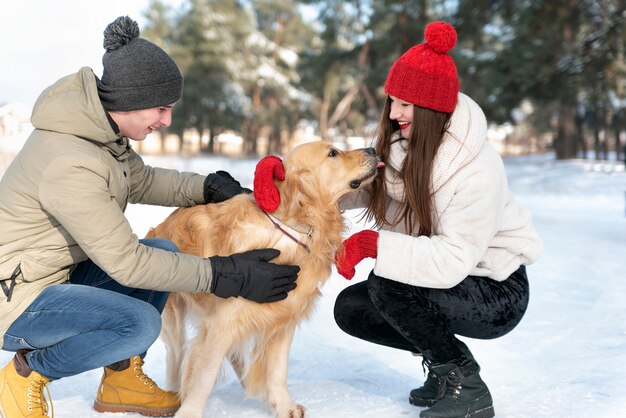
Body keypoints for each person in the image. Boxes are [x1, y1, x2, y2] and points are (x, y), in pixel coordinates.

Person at [0, 16, 299, 418]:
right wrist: (224, 273)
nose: (166, 121)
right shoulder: (70, 160)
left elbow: (141, 181)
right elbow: (127, 264)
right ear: (128, 100)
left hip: (54, 276)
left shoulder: (102, 136)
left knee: (163, 248)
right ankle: (23, 372)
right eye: (161, 108)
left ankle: (121, 381)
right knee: (138, 324)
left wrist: (207, 186)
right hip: (16, 299)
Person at [332, 22, 543, 418]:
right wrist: (293, 185)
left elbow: (451, 260)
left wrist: (372, 244)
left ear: (431, 108)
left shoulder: (476, 169)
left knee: (388, 284)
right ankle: (445, 365)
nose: (393, 114)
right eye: (392, 101)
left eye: (405, 104)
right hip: (450, 277)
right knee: (352, 308)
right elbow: (363, 190)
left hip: (495, 288)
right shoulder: (401, 148)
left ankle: (466, 386)